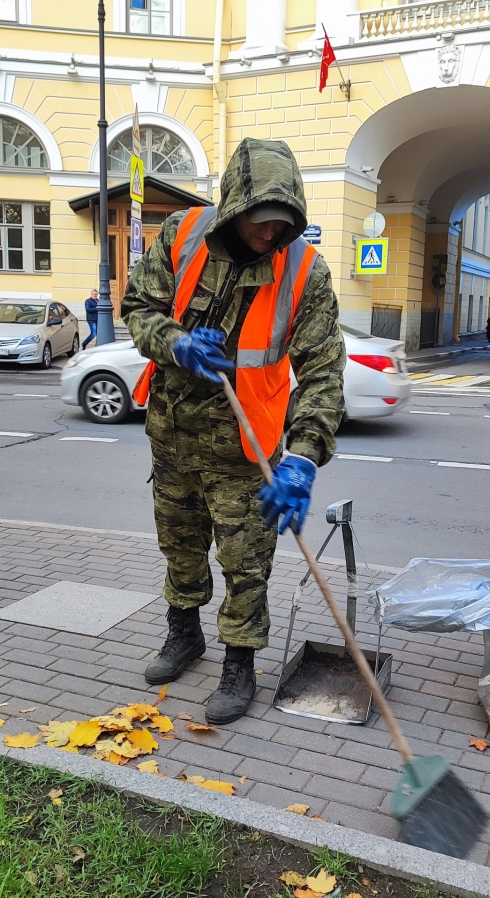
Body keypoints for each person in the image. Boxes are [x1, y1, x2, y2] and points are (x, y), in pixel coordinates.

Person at [121, 137, 346, 725]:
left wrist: (302, 458)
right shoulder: (181, 234)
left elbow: (322, 372)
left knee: (247, 562)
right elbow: (137, 308)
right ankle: (184, 635)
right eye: (262, 219)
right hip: (172, 435)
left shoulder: (304, 271)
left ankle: (239, 663)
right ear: (235, 206)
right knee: (180, 546)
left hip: (247, 449)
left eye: (285, 223)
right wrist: (176, 343)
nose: (272, 234)